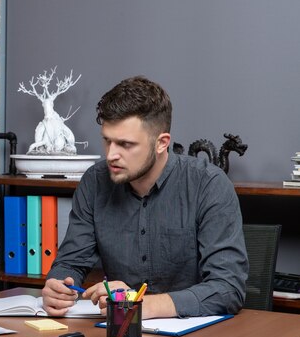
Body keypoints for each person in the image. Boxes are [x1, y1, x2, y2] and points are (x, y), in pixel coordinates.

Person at [42, 76, 248, 319]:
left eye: (125, 144)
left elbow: (227, 289)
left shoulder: (208, 184)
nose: (111, 155)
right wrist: (57, 286)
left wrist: (138, 303)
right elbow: (71, 262)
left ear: (161, 143)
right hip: (119, 333)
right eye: (107, 141)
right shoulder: (95, 182)